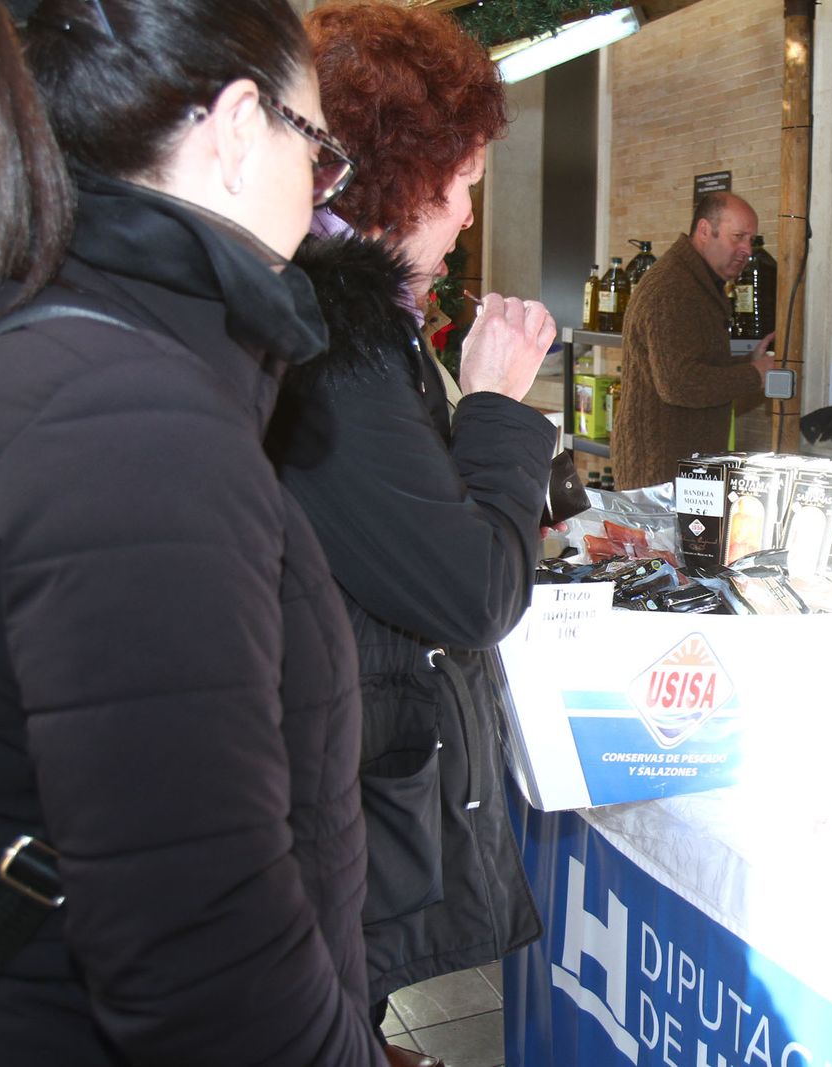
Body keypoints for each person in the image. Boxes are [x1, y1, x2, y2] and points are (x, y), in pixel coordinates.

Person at [0, 1, 382, 1064]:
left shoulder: (72, 351)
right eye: (320, 152)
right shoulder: (131, 421)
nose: (321, 194)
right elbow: (204, 960)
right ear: (236, 127)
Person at [268, 5, 557, 1065]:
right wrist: (494, 406)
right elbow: (470, 585)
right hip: (337, 773)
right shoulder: (331, 337)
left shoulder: (338, 313)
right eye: (467, 179)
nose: (469, 213)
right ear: (405, 173)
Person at [611, 191, 776, 489]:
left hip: (677, 469)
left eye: (750, 240)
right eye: (737, 237)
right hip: (660, 476)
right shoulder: (672, 288)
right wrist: (754, 375)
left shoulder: (695, 284)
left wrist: (746, 364)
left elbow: (692, 364)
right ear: (704, 231)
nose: (746, 250)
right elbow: (679, 383)